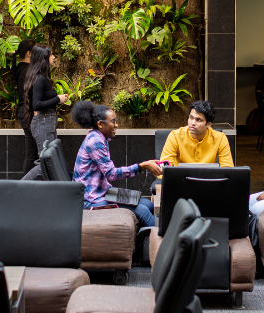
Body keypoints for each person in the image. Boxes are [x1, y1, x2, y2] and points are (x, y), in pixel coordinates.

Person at [71, 101, 162, 228]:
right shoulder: (95, 141)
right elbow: (111, 174)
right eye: (113, 121)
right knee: (143, 212)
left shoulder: (100, 138)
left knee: (148, 205)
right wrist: (142, 166)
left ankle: (144, 241)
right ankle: (159, 244)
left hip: (102, 192)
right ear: (100, 124)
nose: (116, 125)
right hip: (90, 199)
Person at [21, 44, 68, 180]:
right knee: (46, 163)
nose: (54, 57)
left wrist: (58, 100)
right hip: (43, 123)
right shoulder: (39, 79)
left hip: (47, 122)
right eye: (51, 54)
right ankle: (18, 188)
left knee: (51, 161)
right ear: (44, 58)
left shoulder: (40, 77)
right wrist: (57, 99)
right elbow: (37, 105)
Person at [160, 101, 234, 168]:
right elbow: (163, 169)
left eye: (199, 120)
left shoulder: (220, 138)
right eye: (191, 118)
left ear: (208, 124)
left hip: (208, 181)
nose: (192, 123)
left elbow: (227, 169)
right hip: (181, 181)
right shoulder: (175, 136)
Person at [14, 39, 37, 174]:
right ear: (29, 53)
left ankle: (28, 186)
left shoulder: (21, 68)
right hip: (28, 113)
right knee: (32, 153)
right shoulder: (27, 70)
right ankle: (26, 186)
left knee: (32, 152)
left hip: (24, 112)